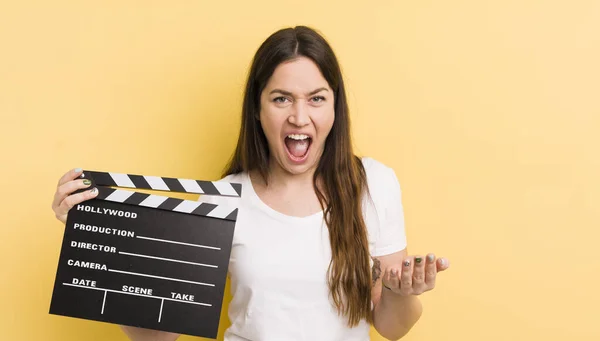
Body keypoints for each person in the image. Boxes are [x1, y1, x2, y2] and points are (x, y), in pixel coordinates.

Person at [51, 26, 449, 341]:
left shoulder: (372, 184)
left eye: (316, 98)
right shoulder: (223, 201)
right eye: (281, 99)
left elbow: (393, 327)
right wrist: (92, 236)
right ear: (257, 110)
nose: (298, 116)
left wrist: (401, 291)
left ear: (334, 107)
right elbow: (158, 335)